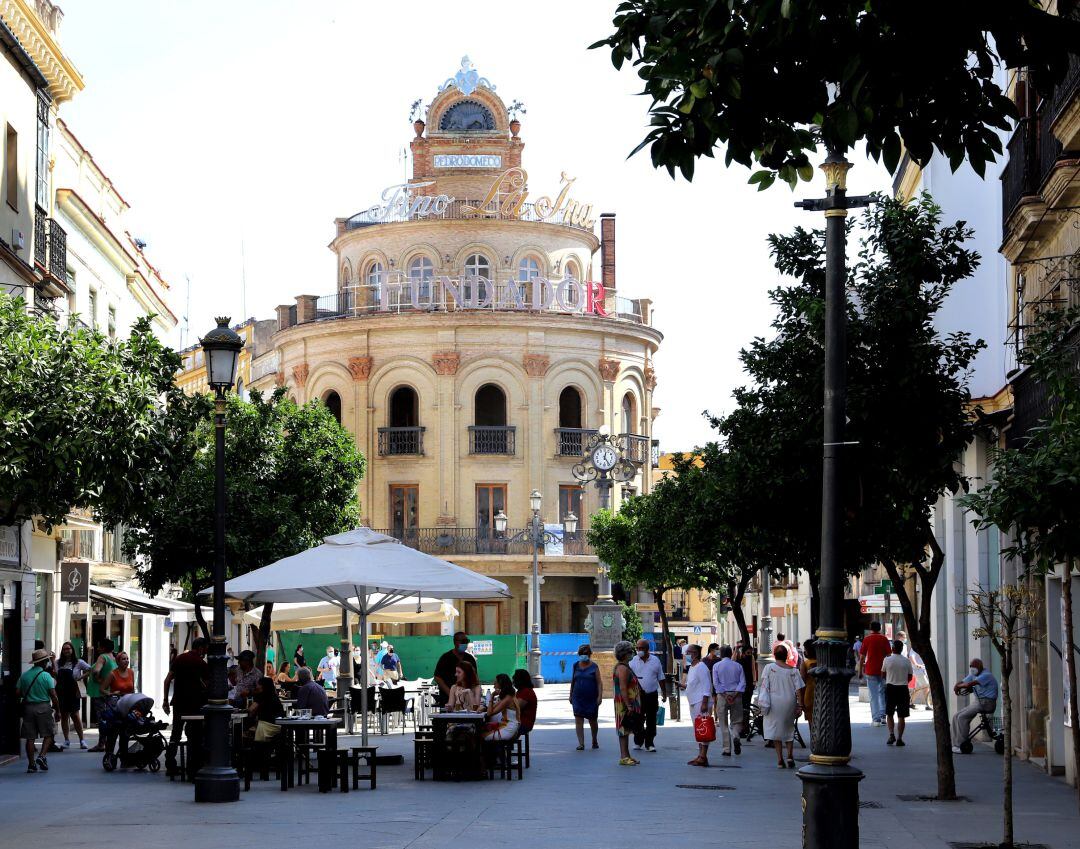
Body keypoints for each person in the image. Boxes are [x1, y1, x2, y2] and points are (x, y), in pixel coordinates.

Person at [163, 637, 210, 775]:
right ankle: (193, 766)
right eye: (205, 649)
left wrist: (165, 700)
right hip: (195, 704)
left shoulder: (179, 659)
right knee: (195, 735)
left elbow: (167, 680)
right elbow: (207, 686)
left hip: (179, 702)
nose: (206, 652)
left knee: (175, 734)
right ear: (201, 648)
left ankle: (170, 764)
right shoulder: (201, 664)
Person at [758, 644, 805, 768]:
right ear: (786, 656)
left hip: (773, 702)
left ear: (774, 655)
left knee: (775, 730)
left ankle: (780, 759)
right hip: (789, 702)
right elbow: (799, 690)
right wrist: (800, 705)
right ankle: (789, 755)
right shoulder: (794, 671)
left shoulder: (768, 668)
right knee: (789, 728)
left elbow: (764, 685)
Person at [17, 648, 60, 773]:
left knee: (30, 738)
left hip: (28, 708)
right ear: (44, 662)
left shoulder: (24, 676)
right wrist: (58, 711)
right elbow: (53, 695)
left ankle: (31, 764)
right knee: (49, 734)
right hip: (43, 707)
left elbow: (17, 692)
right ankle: (42, 756)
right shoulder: (46, 676)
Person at [951, 658, 999, 753]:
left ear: (980, 667)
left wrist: (958, 687)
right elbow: (963, 682)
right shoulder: (973, 674)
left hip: (987, 703)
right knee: (956, 716)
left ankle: (961, 744)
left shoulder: (986, 675)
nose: (972, 669)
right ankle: (955, 744)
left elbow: (970, 684)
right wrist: (957, 685)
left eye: (975, 667)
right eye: (971, 666)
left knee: (962, 717)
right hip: (979, 702)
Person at [629, 638, 667, 752]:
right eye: (637, 648)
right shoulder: (633, 661)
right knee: (637, 719)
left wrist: (664, 693)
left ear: (647, 649)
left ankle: (649, 743)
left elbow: (661, 677)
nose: (639, 650)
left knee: (651, 719)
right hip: (637, 696)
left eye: (641, 648)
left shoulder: (655, 660)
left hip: (651, 695)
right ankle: (638, 741)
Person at [680, 644, 713, 767]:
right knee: (698, 729)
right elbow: (691, 684)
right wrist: (681, 685)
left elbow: (706, 686)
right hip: (693, 701)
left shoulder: (701, 667)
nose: (687, 655)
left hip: (700, 702)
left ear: (696, 653)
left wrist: (704, 703)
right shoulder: (692, 667)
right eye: (686, 652)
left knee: (703, 728)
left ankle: (703, 756)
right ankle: (700, 755)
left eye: (689, 652)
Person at [54, 642, 90, 749]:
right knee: (64, 716)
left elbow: (90, 669)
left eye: (68, 648)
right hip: (61, 692)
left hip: (73, 692)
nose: (66, 651)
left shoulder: (78, 662)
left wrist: (81, 677)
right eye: (64, 649)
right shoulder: (57, 662)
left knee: (75, 716)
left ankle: (82, 740)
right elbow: (56, 675)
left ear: (72, 650)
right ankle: (66, 740)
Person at [612, 640, 642, 766]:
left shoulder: (624, 667)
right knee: (623, 729)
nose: (632, 654)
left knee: (627, 728)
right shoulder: (623, 668)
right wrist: (629, 705)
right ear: (624, 654)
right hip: (624, 704)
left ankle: (627, 755)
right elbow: (623, 687)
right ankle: (624, 756)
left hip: (626, 702)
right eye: (630, 652)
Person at [712, 645, 746, 757]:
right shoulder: (738, 666)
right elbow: (742, 682)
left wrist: (725, 696)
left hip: (722, 696)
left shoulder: (716, 666)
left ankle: (727, 749)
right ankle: (736, 735)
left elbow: (716, 683)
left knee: (723, 722)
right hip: (736, 695)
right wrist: (735, 694)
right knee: (737, 720)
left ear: (721, 654)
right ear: (731, 653)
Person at [85, 638, 117, 751]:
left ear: (103, 648)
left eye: (99, 646)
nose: (97, 648)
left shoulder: (102, 657)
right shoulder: (113, 657)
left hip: (100, 692)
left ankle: (101, 744)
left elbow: (96, 670)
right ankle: (107, 742)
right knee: (109, 718)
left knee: (102, 719)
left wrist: (99, 680)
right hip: (110, 692)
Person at [569, 643, 602, 750]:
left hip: (591, 698)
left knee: (593, 720)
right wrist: (570, 695)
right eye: (582, 654)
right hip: (577, 697)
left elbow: (599, 683)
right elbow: (573, 681)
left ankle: (594, 739)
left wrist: (600, 696)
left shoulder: (594, 666)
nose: (584, 655)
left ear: (590, 654)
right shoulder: (575, 665)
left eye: (586, 653)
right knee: (578, 719)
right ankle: (581, 743)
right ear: (579, 655)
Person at [433, 632, 477, 707]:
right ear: (455, 642)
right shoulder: (445, 658)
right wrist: (450, 693)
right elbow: (437, 677)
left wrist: (472, 694)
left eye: (466, 641)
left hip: (466, 700)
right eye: (462, 641)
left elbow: (475, 677)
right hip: (447, 698)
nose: (465, 644)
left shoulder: (470, 659)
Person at [882, 639, 913, 746]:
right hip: (903, 689)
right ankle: (900, 738)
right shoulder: (907, 661)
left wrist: (891, 679)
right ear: (901, 649)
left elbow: (883, 674)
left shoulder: (887, 660)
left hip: (890, 688)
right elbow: (909, 677)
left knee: (889, 713)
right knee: (902, 715)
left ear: (892, 648)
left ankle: (891, 735)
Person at [860, 621, 891, 726]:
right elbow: (889, 655)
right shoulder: (884, 639)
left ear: (870, 628)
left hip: (870, 670)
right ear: (880, 628)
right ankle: (883, 716)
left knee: (873, 695)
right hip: (883, 671)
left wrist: (860, 671)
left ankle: (876, 719)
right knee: (882, 693)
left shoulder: (867, 639)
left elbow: (862, 657)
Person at [482, 673, 520, 741]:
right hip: (506, 725)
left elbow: (489, 713)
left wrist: (492, 696)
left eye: (495, 683)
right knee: (480, 730)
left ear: (501, 684)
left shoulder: (508, 698)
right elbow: (491, 708)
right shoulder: (507, 696)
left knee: (481, 736)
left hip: (509, 728)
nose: (494, 686)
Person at [247, 676, 285, 742]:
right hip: (279, 726)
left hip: (266, 727)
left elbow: (251, 709)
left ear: (262, 686)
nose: (257, 686)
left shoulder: (261, 696)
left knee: (246, 732)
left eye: (258, 684)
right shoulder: (275, 696)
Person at [511, 669, 537, 735]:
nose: (513, 682)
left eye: (514, 680)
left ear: (519, 680)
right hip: (519, 722)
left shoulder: (526, 692)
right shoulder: (521, 691)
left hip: (523, 724)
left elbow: (515, 707)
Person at [801, 639, 818, 731]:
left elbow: (802, 682)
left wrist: (800, 699)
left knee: (811, 720)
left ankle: (814, 740)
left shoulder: (805, 664)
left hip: (809, 694)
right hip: (821, 693)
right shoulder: (822, 662)